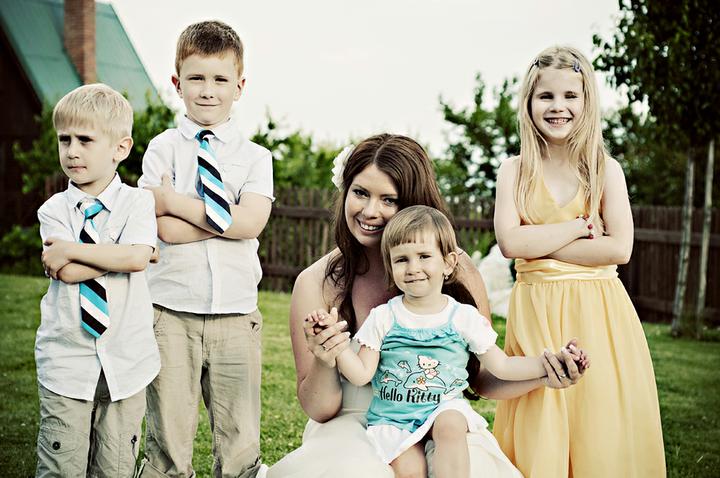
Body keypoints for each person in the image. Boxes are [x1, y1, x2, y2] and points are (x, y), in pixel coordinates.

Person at [267, 134, 585, 478]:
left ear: (413, 204)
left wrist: (545, 373)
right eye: (360, 193)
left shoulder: (455, 269)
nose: (370, 211)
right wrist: (326, 358)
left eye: (389, 199)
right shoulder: (316, 282)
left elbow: (482, 376)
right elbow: (321, 408)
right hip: (356, 426)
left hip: (442, 422)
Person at [307, 205, 589, 478]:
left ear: (448, 263)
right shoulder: (383, 317)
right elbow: (360, 374)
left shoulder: (463, 317)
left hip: (443, 407)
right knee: (410, 471)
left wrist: (547, 365)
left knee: (451, 424)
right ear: (390, 267)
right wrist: (338, 346)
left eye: (424, 256)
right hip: (394, 418)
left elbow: (502, 366)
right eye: (401, 260)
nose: (413, 268)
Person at [492, 45, 666, 477]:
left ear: (587, 101)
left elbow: (618, 249)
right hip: (537, 311)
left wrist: (536, 241)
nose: (558, 107)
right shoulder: (514, 171)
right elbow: (510, 243)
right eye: (546, 96)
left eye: (570, 96)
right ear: (529, 102)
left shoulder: (604, 170)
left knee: (599, 425)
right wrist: (577, 227)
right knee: (541, 415)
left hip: (598, 311)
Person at [136, 20, 274, 478]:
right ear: (177, 84)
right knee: (168, 437)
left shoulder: (255, 158)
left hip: (236, 313)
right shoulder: (162, 149)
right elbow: (163, 230)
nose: (208, 91)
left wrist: (175, 202)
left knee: (240, 441)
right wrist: (225, 221)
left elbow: (252, 222)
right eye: (196, 78)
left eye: (220, 79)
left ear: (239, 86)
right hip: (170, 311)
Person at [36, 83, 160, 476]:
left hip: (127, 361)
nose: (72, 151)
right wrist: (127, 253)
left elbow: (134, 259)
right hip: (67, 362)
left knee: (115, 465)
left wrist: (76, 249)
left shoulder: (138, 202)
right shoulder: (54, 210)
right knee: (61, 465)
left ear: (120, 148)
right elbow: (69, 272)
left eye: (85, 140)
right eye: (65, 140)